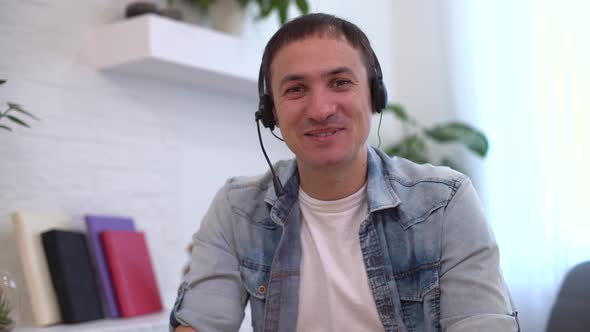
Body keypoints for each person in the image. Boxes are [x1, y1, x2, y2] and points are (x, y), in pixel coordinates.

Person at [170, 13, 519, 332]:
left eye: (339, 82)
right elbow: (199, 324)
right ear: (271, 111)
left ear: (374, 96)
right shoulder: (238, 208)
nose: (320, 110)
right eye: (296, 89)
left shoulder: (444, 202)